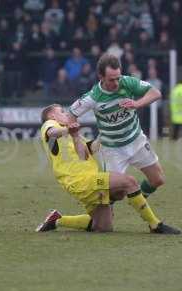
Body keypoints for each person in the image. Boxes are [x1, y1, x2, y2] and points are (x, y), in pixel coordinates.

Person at [35, 104, 180, 234]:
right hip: (81, 182)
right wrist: (67, 129)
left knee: (103, 227)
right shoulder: (50, 125)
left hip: (88, 183)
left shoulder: (73, 134)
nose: (66, 114)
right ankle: (155, 225)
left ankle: (57, 220)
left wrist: (104, 134)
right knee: (129, 182)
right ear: (52, 116)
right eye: (62, 111)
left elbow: (86, 153)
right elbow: (52, 132)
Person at [68, 53, 165, 199]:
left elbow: (155, 93)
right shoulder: (93, 97)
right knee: (114, 194)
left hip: (137, 141)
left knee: (158, 180)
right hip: (112, 150)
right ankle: (99, 213)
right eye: (111, 79)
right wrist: (74, 132)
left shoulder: (128, 82)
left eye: (118, 78)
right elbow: (71, 114)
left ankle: (139, 200)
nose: (116, 83)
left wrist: (136, 104)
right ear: (101, 77)